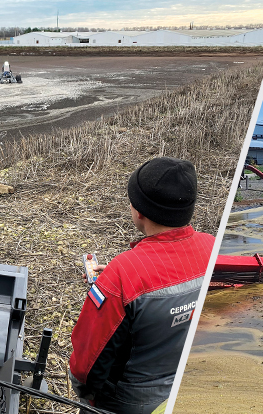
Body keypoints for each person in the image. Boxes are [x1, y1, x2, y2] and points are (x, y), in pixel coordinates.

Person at [69, 157, 215, 414]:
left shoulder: (122, 276)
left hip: (128, 402)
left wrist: (112, 284)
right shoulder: (212, 246)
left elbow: (87, 369)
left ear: (139, 212)